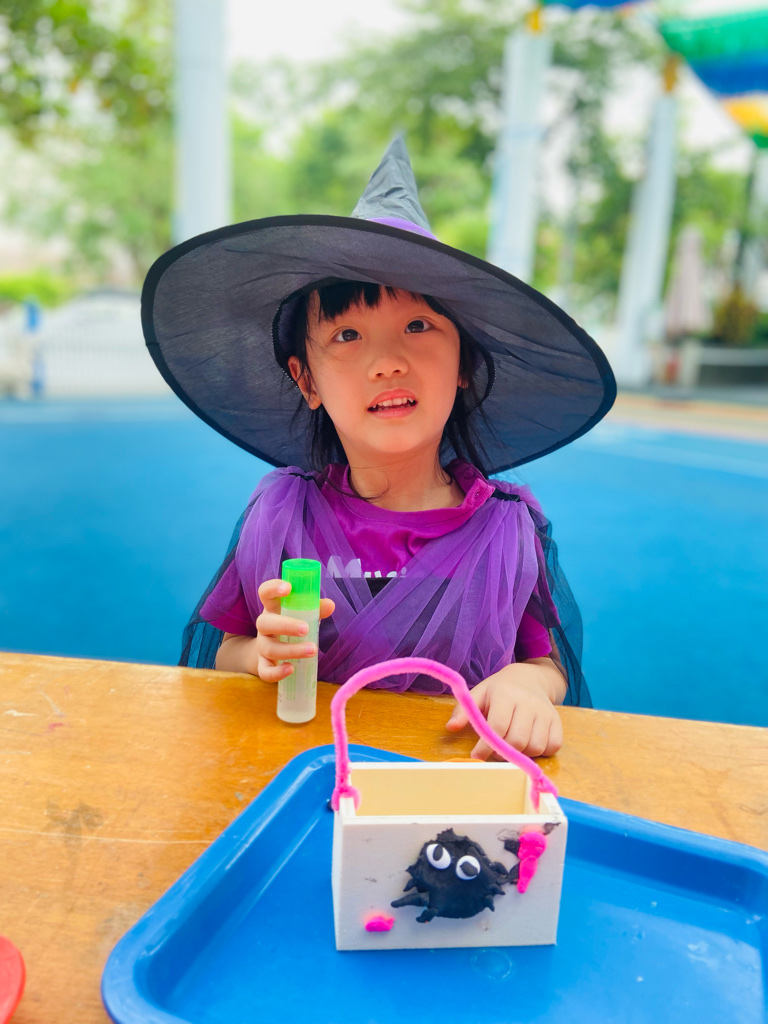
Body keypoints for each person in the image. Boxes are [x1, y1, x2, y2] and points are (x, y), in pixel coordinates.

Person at [141, 137, 616, 758]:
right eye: (347, 334)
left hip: (447, 787)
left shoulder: (508, 529)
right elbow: (226, 648)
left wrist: (527, 685)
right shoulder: (281, 514)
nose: (387, 362)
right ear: (306, 380)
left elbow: (546, 664)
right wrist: (261, 653)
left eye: (419, 325)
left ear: (464, 364)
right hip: (311, 781)